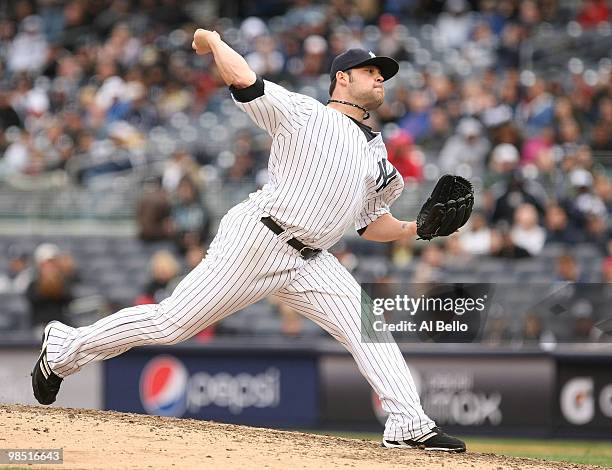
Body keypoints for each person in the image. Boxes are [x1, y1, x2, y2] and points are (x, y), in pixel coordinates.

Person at [31, 30, 465, 453]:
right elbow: (245, 81)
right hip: (260, 237)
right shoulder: (305, 113)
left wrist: (415, 230)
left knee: (367, 326)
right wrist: (215, 41)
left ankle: (409, 422)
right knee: (171, 324)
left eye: (382, 74)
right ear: (342, 78)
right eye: (370, 70)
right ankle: (66, 346)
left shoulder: (379, 154)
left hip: (312, 260)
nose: (379, 79)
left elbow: (370, 226)